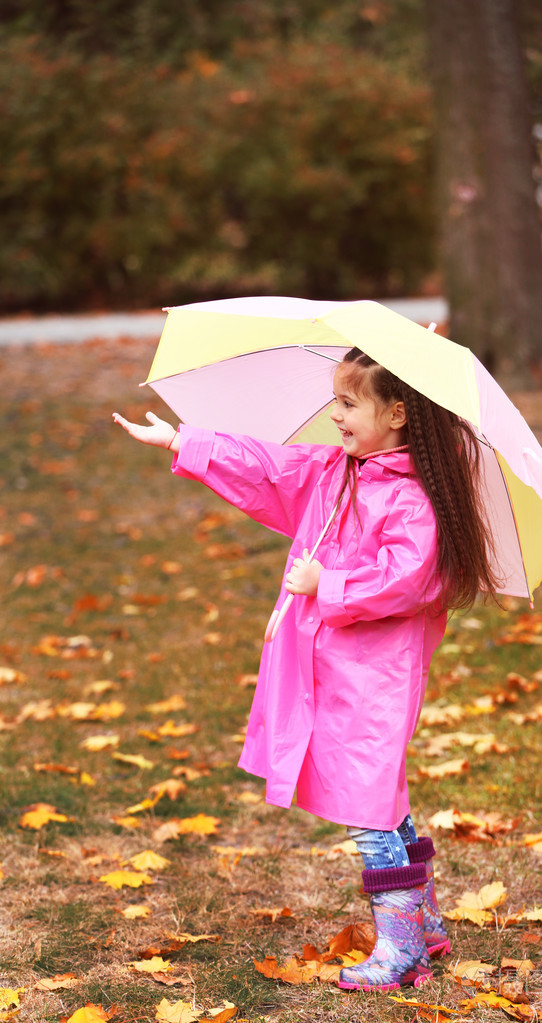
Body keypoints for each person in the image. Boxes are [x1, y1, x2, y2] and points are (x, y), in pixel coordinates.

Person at [113, 346, 500, 993]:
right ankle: (425, 920)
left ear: (399, 412)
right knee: (381, 797)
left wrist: (330, 580)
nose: (336, 414)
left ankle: (402, 945)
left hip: (374, 679)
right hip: (332, 669)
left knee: (368, 805)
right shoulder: (335, 470)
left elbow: (413, 577)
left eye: (349, 403)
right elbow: (269, 467)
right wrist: (183, 440)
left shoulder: (412, 498)